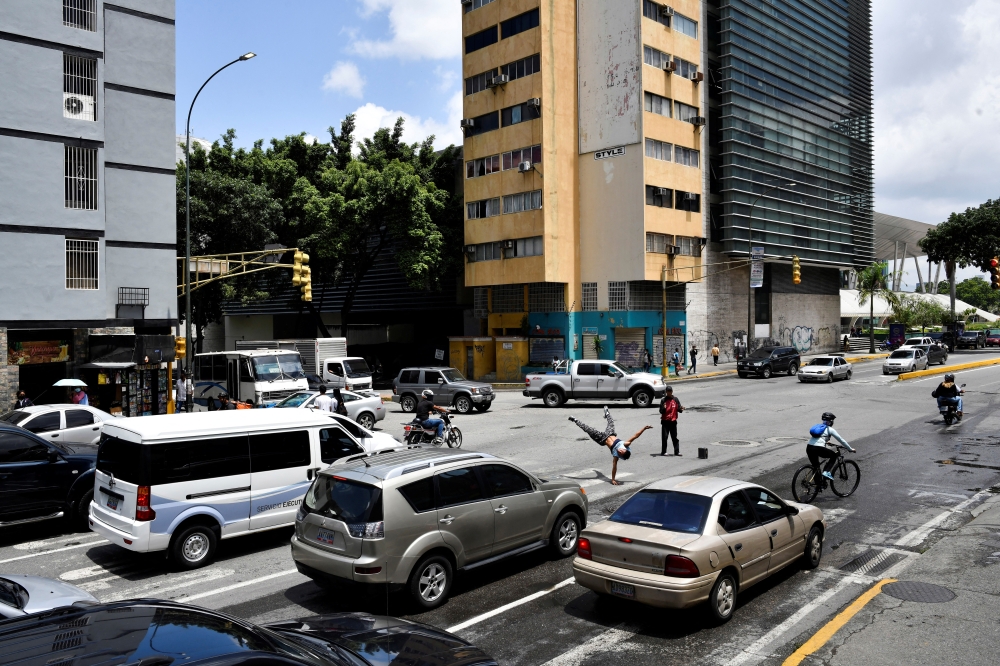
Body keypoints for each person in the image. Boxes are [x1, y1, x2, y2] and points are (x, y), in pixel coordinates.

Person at [569, 407, 653, 485]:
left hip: (601, 439)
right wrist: (644, 428)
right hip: (610, 433)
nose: (619, 451)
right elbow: (635, 436)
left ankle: (574, 420)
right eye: (622, 451)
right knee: (611, 422)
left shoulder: (616, 455)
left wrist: (613, 479)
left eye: (620, 453)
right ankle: (607, 413)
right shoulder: (625, 444)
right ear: (625, 449)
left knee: (588, 429)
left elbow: (614, 467)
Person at [807, 412, 855, 480]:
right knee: (833, 456)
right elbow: (841, 440)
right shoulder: (830, 429)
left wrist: (826, 441)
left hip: (809, 447)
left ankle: (818, 487)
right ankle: (826, 472)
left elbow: (819, 438)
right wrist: (850, 449)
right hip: (818, 448)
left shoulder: (819, 427)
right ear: (831, 421)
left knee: (816, 466)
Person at [658, 386, 683, 455]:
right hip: (665, 422)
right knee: (665, 437)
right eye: (668, 391)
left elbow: (679, 409)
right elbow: (661, 411)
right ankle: (664, 451)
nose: (669, 392)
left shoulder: (676, 399)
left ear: (672, 391)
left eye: (670, 391)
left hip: (673, 421)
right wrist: (664, 408)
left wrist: (681, 409)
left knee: (674, 437)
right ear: (666, 392)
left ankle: (677, 451)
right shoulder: (663, 400)